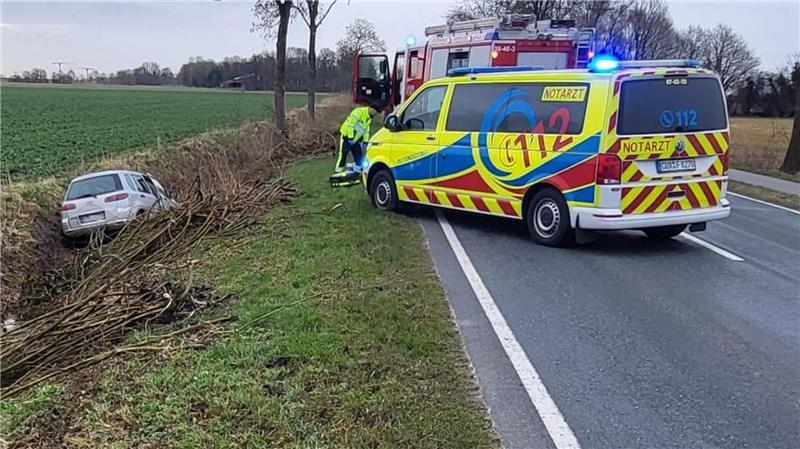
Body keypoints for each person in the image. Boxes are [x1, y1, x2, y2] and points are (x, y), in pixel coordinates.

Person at [331, 106, 378, 180]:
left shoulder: (369, 118)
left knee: (358, 155)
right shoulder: (358, 112)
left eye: (376, 112)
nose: (375, 113)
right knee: (343, 153)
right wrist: (350, 137)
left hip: (356, 139)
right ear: (370, 108)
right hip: (347, 135)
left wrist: (365, 141)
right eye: (375, 111)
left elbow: (366, 130)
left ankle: (357, 172)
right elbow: (351, 125)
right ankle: (337, 172)